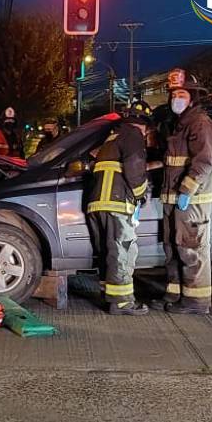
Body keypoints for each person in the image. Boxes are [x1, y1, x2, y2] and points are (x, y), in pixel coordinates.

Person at [153, 68, 212, 315]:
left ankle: (196, 302)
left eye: (180, 94)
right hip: (173, 200)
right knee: (172, 248)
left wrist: (187, 190)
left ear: (192, 96)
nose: (175, 99)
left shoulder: (200, 124)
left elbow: (204, 160)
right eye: (173, 95)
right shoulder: (178, 124)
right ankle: (174, 294)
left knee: (191, 249)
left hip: (191, 201)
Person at [86, 114, 151, 315]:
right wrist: (141, 194)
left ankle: (109, 296)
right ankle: (122, 302)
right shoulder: (133, 135)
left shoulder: (112, 137)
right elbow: (135, 167)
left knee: (108, 253)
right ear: (143, 127)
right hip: (116, 204)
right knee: (123, 251)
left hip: (97, 203)